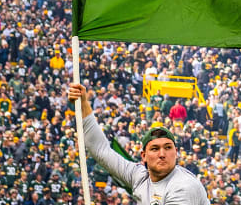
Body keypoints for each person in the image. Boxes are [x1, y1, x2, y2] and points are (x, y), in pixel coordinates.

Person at [67, 83, 209, 204]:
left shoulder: (184, 186)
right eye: (155, 148)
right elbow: (101, 151)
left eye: (168, 147)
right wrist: (83, 104)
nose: (162, 154)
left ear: (176, 153)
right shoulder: (139, 176)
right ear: (144, 156)